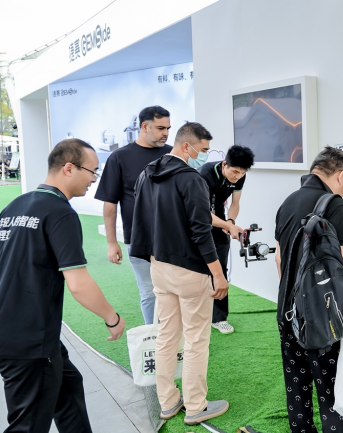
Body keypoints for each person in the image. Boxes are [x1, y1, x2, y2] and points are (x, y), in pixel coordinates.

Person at [0, 139, 126, 433]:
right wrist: (112, 317)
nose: (94, 180)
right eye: (92, 171)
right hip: (29, 341)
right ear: (69, 168)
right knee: (28, 426)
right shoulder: (60, 212)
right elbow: (78, 283)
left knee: (68, 389)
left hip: (13, 331)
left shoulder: (14, 207)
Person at [130, 122, 230, 426]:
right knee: (196, 339)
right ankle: (196, 406)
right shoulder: (191, 179)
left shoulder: (147, 174)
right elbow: (201, 231)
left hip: (159, 266)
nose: (206, 155)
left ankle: (168, 402)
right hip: (190, 271)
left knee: (166, 336)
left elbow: (140, 221)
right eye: (203, 149)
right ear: (186, 146)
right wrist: (218, 274)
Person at [274, 146, 343, 433]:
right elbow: (342, 265)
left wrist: (294, 300)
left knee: (297, 387)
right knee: (333, 391)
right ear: (340, 175)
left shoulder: (287, 202)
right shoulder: (334, 204)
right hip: (327, 317)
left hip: (289, 313)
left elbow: (279, 259)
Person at [95, 105, 172, 324]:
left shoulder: (173, 154)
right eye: (160, 128)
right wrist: (112, 242)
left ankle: (174, 337)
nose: (166, 133)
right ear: (144, 126)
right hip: (138, 239)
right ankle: (154, 336)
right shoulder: (119, 157)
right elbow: (110, 204)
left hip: (173, 238)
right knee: (148, 292)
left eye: (168, 128)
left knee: (174, 291)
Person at [197, 145, 255, 334]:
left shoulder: (240, 177)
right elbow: (202, 212)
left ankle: (219, 318)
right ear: (224, 164)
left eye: (242, 173)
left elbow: (235, 203)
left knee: (221, 269)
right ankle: (197, 314)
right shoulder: (204, 174)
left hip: (220, 222)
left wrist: (230, 222)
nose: (238, 176)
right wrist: (229, 226)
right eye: (235, 172)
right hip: (198, 223)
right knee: (198, 270)